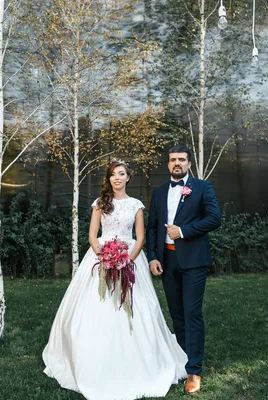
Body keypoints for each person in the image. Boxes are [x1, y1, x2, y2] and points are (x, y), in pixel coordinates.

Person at [42, 161, 187, 400]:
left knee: (137, 308)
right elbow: (92, 234)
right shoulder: (100, 203)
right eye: (112, 175)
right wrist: (105, 257)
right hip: (102, 256)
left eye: (121, 174)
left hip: (130, 257)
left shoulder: (136, 205)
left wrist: (127, 260)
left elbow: (140, 238)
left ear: (128, 177)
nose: (116, 178)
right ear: (108, 179)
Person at [146, 145, 221, 394]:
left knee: (192, 313)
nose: (177, 163)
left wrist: (183, 231)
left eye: (181, 159)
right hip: (167, 262)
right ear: (168, 164)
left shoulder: (202, 188)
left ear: (189, 163)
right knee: (177, 314)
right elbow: (153, 228)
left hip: (193, 261)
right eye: (172, 160)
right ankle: (181, 362)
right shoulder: (158, 193)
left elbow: (214, 218)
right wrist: (153, 257)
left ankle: (194, 371)